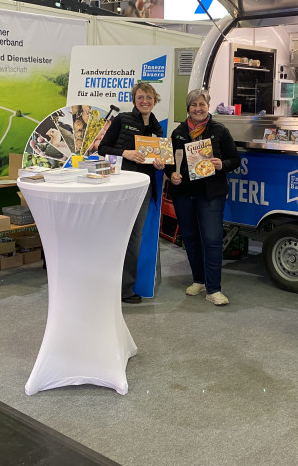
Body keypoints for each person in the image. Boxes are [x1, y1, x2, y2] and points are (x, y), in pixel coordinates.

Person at [164, 89, 240, 306]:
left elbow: (234, 159)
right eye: (194, 105)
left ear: (208, 106)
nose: (198, 108)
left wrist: (221, 164)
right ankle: (199, 280)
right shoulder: (178, 132)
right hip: (183, 195)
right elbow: (170, 163)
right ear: (188, 108)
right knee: (190, 239)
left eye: (202, 104)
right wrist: (172, 175)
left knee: (212, 240)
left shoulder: (219, 130)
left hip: (211, 195)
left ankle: (214, 289)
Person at [98, 82, 165, 304]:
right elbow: (102, 148)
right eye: (140, 97)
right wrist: (126, 152)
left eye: (149, 97)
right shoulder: (122, 120)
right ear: (134, 99)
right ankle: (105, 285)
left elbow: (160, 160)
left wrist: (159, 164)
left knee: (134, 238)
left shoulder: (157, 129)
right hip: (119, 186)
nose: (145, 101)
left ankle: (125, 289)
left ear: (155, 100)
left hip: (143, 189)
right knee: (114, 236)